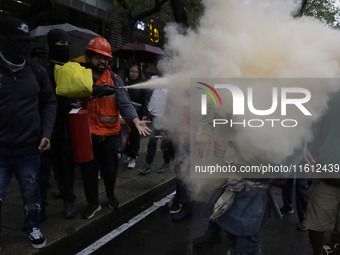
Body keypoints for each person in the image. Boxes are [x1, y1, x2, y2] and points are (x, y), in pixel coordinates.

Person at [0, 17, 57, 248]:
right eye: (17, 41)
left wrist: (46, 133)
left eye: (26, 42)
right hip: (0, 150)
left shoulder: (37, 71)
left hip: (29, 150)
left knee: (32, 193)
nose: (23, 47)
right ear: (3, 42)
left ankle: (32, 226)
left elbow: (49, 102)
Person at [80, 37, 151, 219]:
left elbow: (125, 104)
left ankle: (110, 195)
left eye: (105, 58)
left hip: (109, 136)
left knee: (110, 171)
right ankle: (93, 203)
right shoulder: (79, 77)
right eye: (98, 57)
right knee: (88, 174)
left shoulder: (115, 80)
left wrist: (135, 120)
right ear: (88, 57)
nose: (102, 61)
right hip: (86, 137)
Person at [39, 28, 78, 220]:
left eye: (67, 44)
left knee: (66, 163)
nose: (65, 48)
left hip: (65, 123)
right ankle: (40, 205)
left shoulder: (71, 67)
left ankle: (68, 198)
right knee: (44, 165)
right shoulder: (42, 69)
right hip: (46, 124)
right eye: (61, 44)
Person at [303, 90, 340, 255]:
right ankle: (317, 252)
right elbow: (315, 123)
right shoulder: (332, 91)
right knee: (318, 221)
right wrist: (307, 148)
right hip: (329, 171)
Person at [139, 71, 173, 175]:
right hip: (153, 115)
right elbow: (147, 97)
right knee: (152, 140)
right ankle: (148, 163)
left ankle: (166, 162)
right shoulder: (153, 79)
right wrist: (145, 112)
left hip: (165, 116)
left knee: (165, 140)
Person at [123, 64, 150, 169]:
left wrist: (144, 114)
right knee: (125, 135)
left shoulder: (142, 86)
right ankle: (127, 153)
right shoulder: (125, 83)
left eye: (135, 71)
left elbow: (144, 101)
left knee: (135, 135)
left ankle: (133, 157)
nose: (133, 73)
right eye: (131, 71)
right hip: (125, 114)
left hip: (137, 114)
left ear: (139, 73)